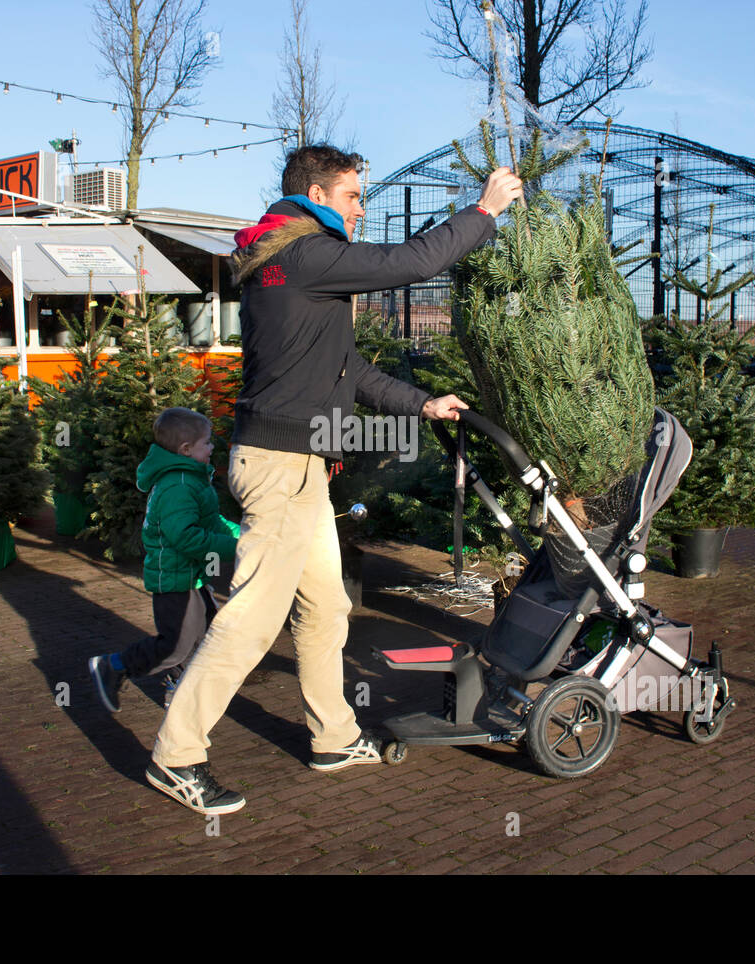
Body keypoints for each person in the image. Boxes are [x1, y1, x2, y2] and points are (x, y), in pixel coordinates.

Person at [146, 145, 523, 815]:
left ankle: (334, 737)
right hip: (282, 467)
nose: (360, 207)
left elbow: (350, 369)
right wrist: (485, 210)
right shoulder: (305, 252)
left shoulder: (290, 259)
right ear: (317, 194)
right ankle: (176, 755)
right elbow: (411, 262)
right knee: (252, 619)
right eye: (353, 196)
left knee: (325, 608)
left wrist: (422, 404)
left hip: (300, 467)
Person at [88, 408, 240, 713]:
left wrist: (245, 534)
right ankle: (114, 666)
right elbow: (185, 537)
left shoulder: (191, 479)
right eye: (206, 443)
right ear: (186, 450)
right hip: (174, 582)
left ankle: (182, 690)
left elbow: (211, 522)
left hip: (192, 578)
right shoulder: (178, 485)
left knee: (206, 634)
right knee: (175, 645)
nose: (212, 448)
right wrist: (238, 548)